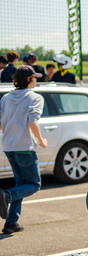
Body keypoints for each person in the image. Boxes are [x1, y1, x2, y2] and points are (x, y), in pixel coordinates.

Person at [0, 66, 48, 234]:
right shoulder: (35, 98)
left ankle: (11, 222)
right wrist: (41, 141)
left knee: (21, 184)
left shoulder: (6, 98)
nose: (36, 80)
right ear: (29, 79)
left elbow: (0, 124)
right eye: (35, 77)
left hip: (8, 146)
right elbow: (32, 123)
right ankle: (6, 195)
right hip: (24, 148)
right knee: (34, 185)